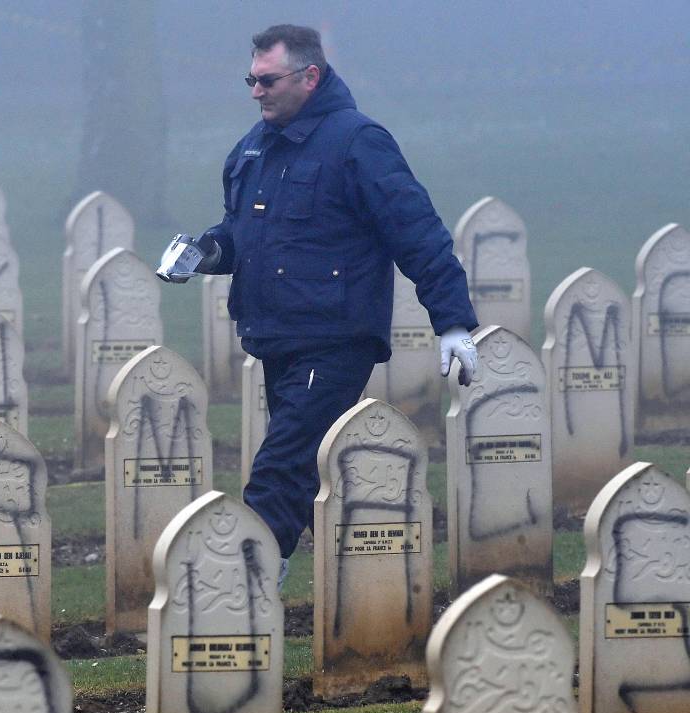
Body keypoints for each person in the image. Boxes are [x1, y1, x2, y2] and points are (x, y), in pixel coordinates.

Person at [158, 24, 480, 585]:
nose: (255, 91)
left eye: (267, 80)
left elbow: (417, 232)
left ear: (310, 76)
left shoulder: (358, 142)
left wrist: (452, 322)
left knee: (279, 468)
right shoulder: (253, 148)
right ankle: (332, 580)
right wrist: (205, 253)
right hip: (276, 336)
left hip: (335, 339)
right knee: (301, 463)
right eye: (250, 80)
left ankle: (243, 586)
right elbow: (244, 235)